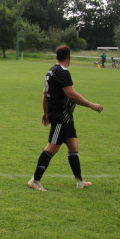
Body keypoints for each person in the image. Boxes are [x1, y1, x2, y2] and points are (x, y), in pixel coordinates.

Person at [28, 45, 103, 192]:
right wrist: (92, 105)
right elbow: (72, 95)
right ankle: (35, 180)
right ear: (69, 57)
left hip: (66, 117)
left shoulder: (51, 71)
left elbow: (45, 94)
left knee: (73, 146)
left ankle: (79, 181)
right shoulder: (62, 72)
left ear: (56, 56)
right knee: (52, 147)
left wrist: (45, 112)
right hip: (61, 118)